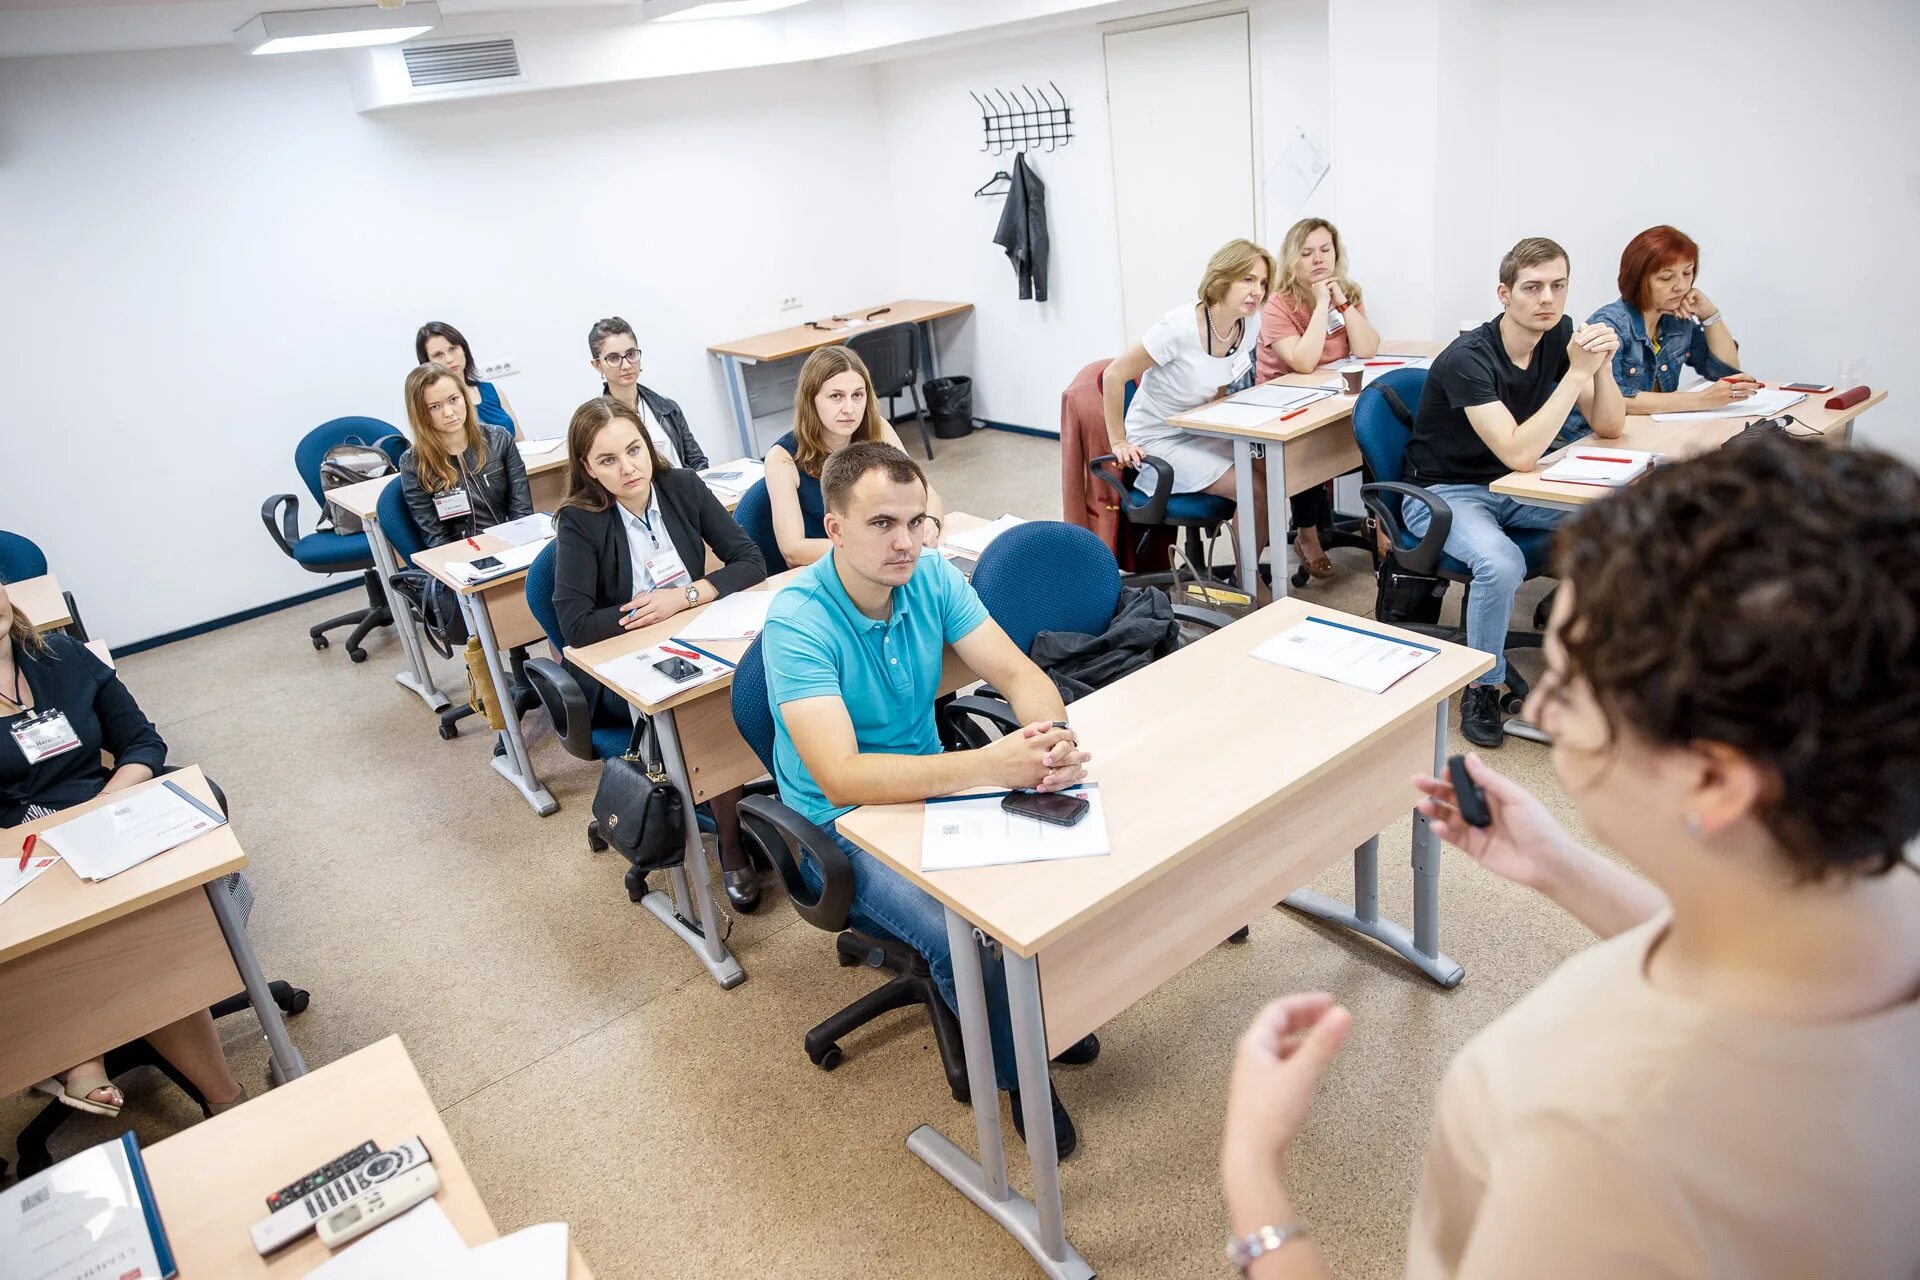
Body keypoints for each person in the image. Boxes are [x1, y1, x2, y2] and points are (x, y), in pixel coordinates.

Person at [1218, 434, 1920, 1279]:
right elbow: (1763, 954)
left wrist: (1255, 1182)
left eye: (1574, 683)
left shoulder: (1608, 1138)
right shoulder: (1873, 888)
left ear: (1715, 779)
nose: (1541, 705)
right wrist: (1561, 866)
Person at [763, 441, 1098, 1156]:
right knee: (964, 937)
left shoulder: (931, 576)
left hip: (929, 789)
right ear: (835, 527)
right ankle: (1021, 1079)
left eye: (917, 522)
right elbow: (842, 778)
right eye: (883, 523)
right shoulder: (797, 619)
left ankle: (1038, 1015)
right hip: (843, 827)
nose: (906, 542)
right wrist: (988, 765)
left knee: (1063, 858)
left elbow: (1016, 671)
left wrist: (1049, 736)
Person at [0, 578, 248, 1120]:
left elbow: (141, 741)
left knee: (150, 924)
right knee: (127, 940)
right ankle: (216, 1096)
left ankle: (84, 1055)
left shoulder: (56, 653)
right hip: (15, 854)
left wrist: (101, 813)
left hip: (106, 815)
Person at [1402, 237, 1624, 748]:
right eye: (1532, 287)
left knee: (1618, 523)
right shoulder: (1468, 358)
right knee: (1499, 563)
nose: (1547, 299)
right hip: (1443, 493)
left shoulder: (1561, 334)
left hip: (1515, 486)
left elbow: (1609, 425)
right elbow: (1520, 453)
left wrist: (1602, 365)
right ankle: (1481, 687)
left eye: (1558, 286)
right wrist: (1575, 374)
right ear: (1504, 293)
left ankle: (1592, 664)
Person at [551, 397, 769, 911]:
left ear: (648, 445)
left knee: (759, 677)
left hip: (696, 632)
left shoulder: (683, 487)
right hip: (621, 671)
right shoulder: (579, 522)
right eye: (608, 460)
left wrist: (686, 597)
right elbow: (575, 625)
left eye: (633, 449)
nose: (627, 467)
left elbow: (750, 560)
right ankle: (733, 850)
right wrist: (650, 613)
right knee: (707, 715)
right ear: (588, 469)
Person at [1103, 238, 1276, 581]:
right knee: (1252, 487)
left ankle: (1248, 570)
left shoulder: (1248, 323)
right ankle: (1249, 583)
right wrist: (1118, 441)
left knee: (1273, 466)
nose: (1256, 291)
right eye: (1247, 279)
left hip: (1198, 427)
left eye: (1262, 283)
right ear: (1222, 278)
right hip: (1155, 439)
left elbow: (1223, 381)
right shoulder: (1178, 328)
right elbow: (1113, 375)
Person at [1259, 218, 1382, 578]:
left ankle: (1381, 526)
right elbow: (1302, 361)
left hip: (1333, 396)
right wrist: (1319, 305)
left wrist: (1341, 303)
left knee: (1379, 435)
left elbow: (1367, 348)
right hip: (1284, 405)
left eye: (1325, 250)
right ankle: (1307, 536)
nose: (1318, 260)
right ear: (1292, 260)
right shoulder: (1278, 305)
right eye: (1307, 253)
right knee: (1311, 451)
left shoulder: (1348, 293)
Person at [764, 346, 946, 569]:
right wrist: (875, 548)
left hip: (888, 561)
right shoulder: (782, 458)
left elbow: (927, 494)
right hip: (828, 573)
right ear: (810, 400)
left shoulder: (878, 429)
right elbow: (793, 550)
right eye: (836, 397)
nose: (849, 409)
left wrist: (930, 522)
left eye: (857, 395)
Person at [1590, 224, 1756, 415]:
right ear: (1637, 280)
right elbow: (1614, 401)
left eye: (1687, 273)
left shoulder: (1677, 320)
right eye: (1666, 278)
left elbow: (1725, 372)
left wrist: (1709, 315)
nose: (1681, 286)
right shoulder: (1609, 325)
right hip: (1591, 437)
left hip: (1647, 428)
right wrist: (1701, 400)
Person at [398, 362, 532, 548]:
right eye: (434, 407)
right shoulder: (413, 463)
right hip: (460, 556)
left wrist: (516, 547)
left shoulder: (499, 439)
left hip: (510, 543)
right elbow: (436, 538)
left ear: (465, 397)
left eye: (454, 399)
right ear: (420, 414)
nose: (449, 412)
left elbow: (522, 511)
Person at [585, 317, 708, 470]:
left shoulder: (667, 408)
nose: (626, 365)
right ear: (597, 365)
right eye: (613, 358)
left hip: (684, 491)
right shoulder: (599, 424)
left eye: (631, 354)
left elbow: (698, 462)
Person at [415, 321, 521, 436]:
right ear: (427, 362)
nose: (449, 359)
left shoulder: (493, 390)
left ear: (464, 349)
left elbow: (520, 440)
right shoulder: (429, 404)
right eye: (438, 355)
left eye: (452, 349)